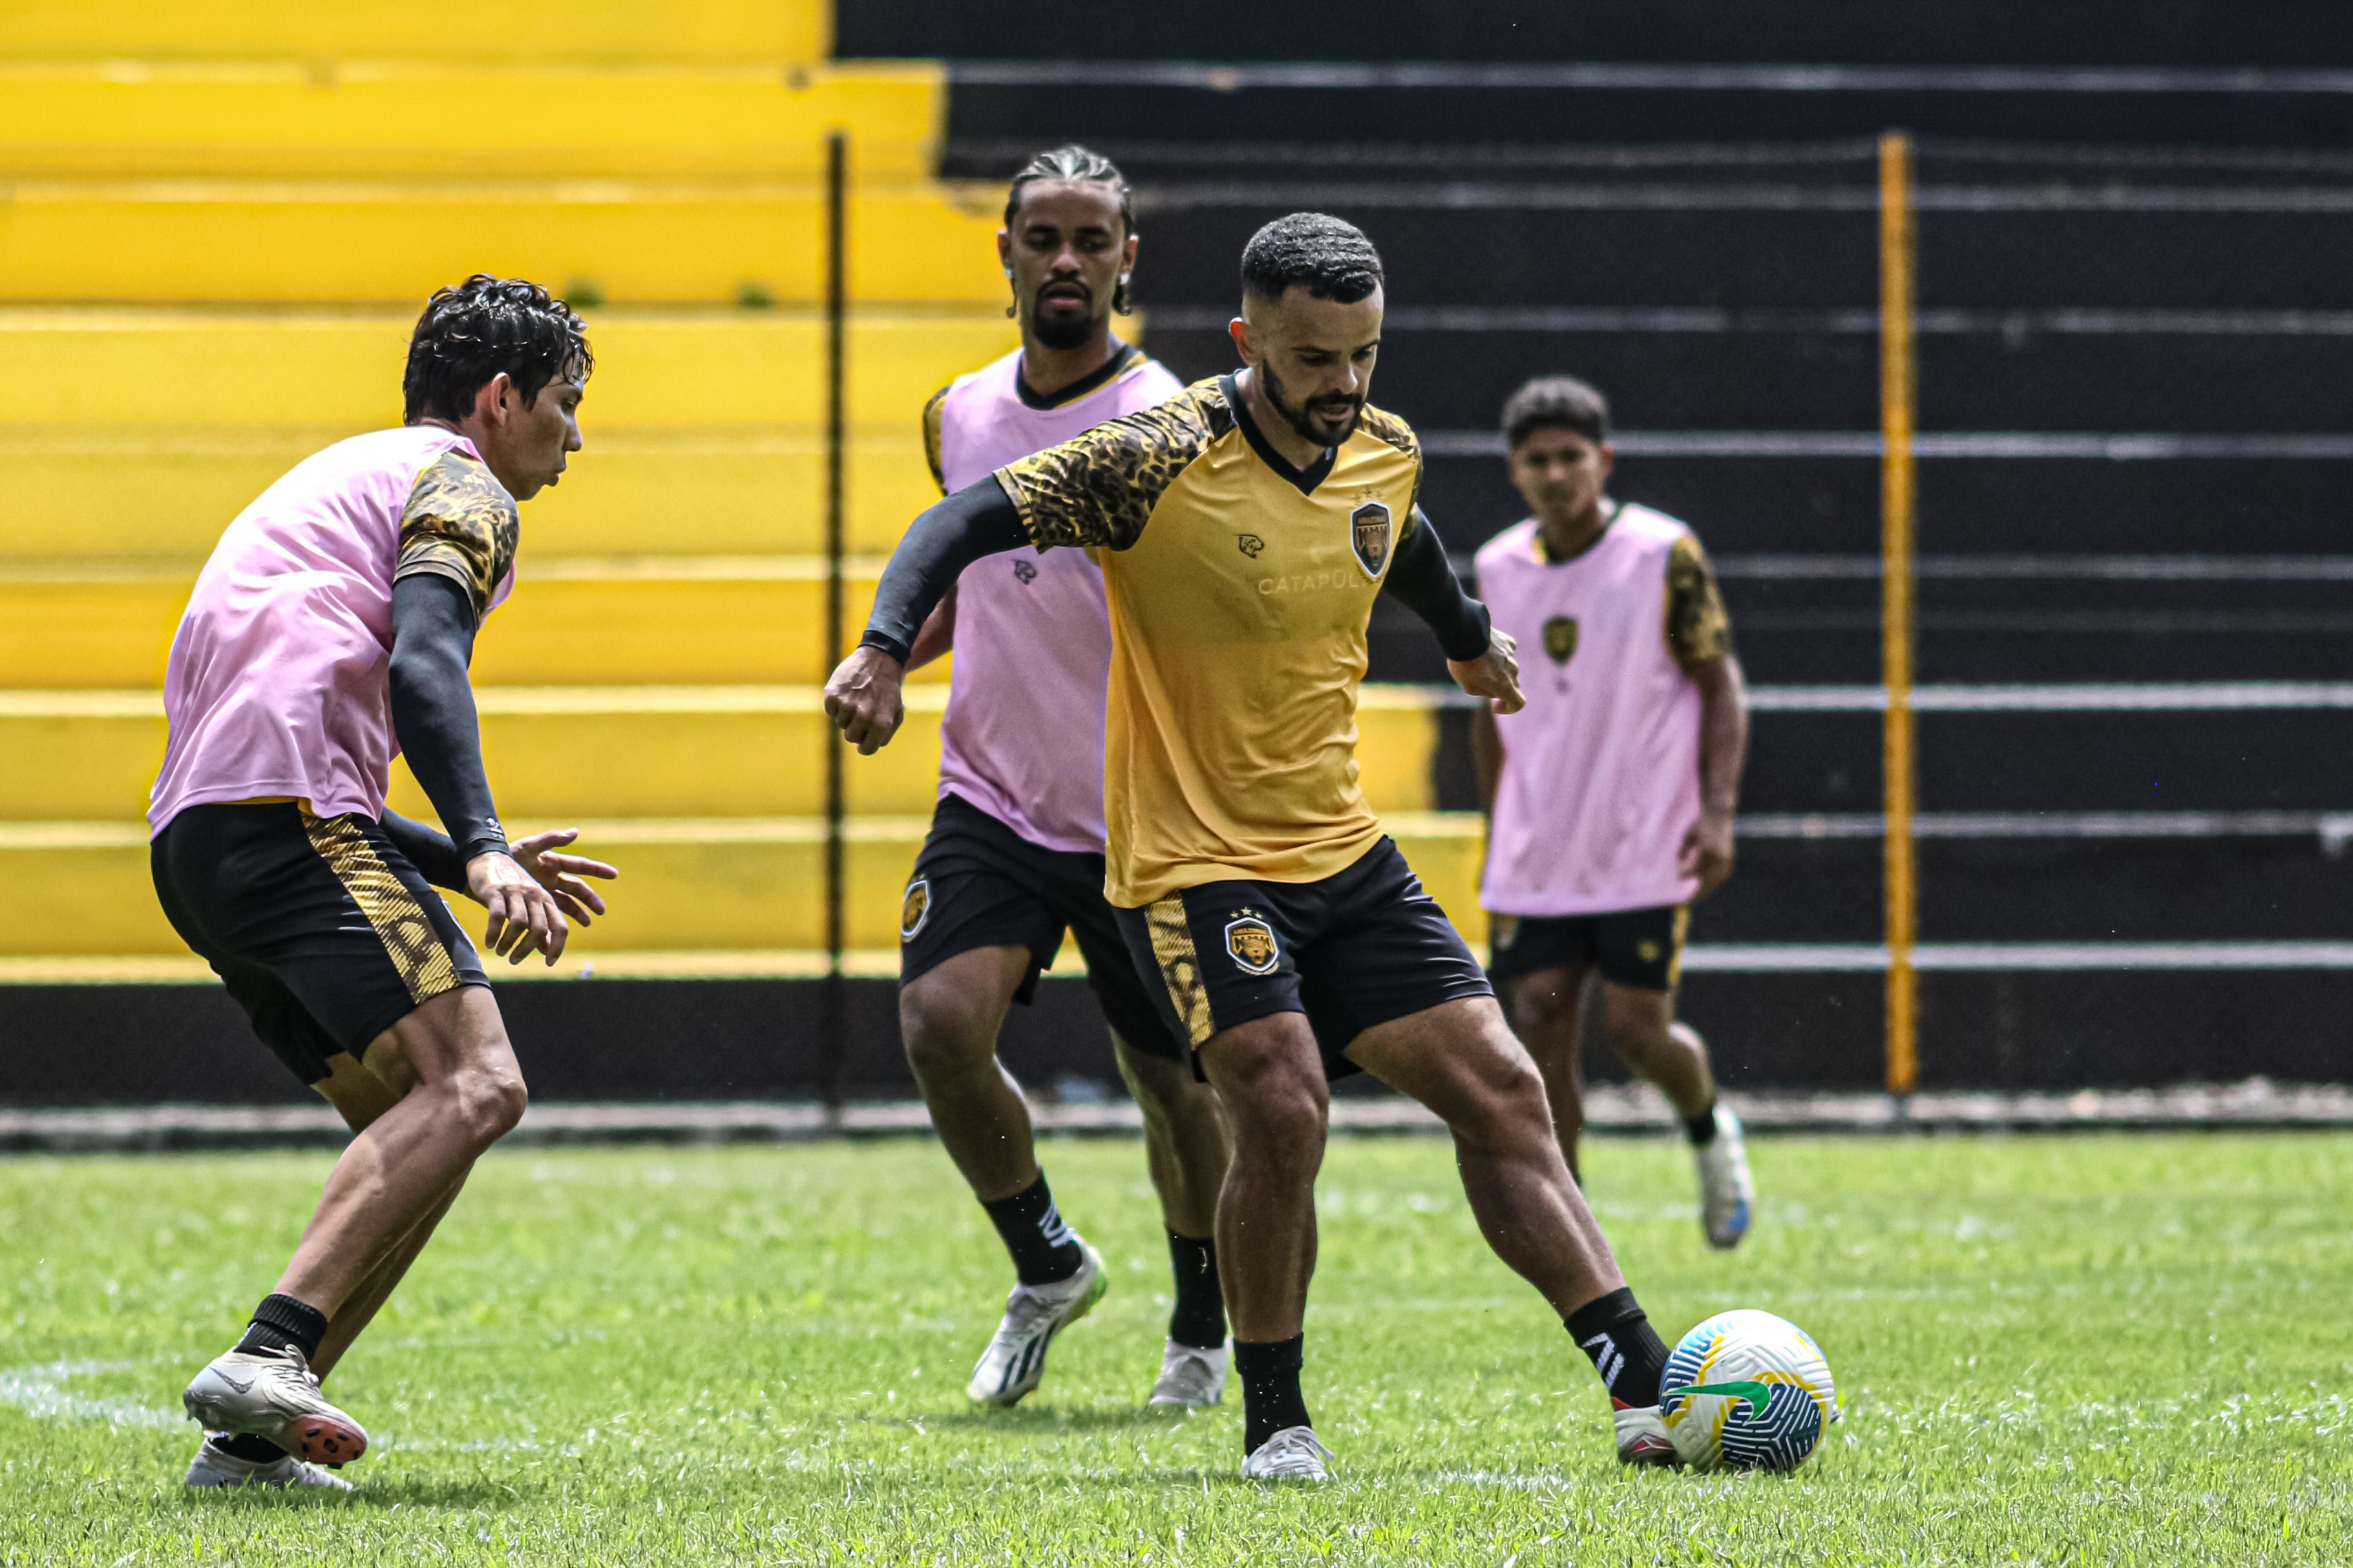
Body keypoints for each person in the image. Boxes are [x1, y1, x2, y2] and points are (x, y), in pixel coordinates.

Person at [826, 214, 1687, 1480]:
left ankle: (1644, 1384)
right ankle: (1275, 1417)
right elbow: (955, 524)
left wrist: (1464, 639)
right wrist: (885, 646)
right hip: (1190, 861)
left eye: (1363, 355)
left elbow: (1402, 537)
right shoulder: (1152, 455)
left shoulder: (1381, 446)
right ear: (1247, 341)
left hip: (1340, 847)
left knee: (1500, 1090)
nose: (1342, 385)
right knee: (1283, 1103)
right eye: (1314, 358)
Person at [154, 275, 617, 1489]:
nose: (578, 437)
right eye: (566, 404)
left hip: (203, 844)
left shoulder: (337, 478)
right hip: (287, 822)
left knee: (415, 1127)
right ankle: (270, 1354)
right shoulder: (457, 482)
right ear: (500, 396)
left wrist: (468, 864)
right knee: (480, 1082)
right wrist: (483, 838)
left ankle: (249, 1449)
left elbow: (306, 774)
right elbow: (424, 665)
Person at [896, 146, 1234, 1410]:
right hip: (992, 793)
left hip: (1140, 810)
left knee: (1171, 1083)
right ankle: (1046, 1261)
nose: (1068, 261)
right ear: (1006, 253)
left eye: (1093, 239)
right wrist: (885, 658)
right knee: (939, 1024)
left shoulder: (1173, 418)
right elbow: (973, 573)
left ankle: (1200, 1321)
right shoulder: (958, 412)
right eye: (1044, 237)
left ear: (1127, 259)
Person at [1470, 377, 1757, 1248]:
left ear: (1602, 461)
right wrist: (1500, 832)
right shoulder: (1493, 567)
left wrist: (1715, 813)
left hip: (1640, 842)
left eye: (1570, 457)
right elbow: (1486, 711)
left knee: (1637, 1032)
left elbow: (1720, 682)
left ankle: (1709, 1129)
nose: (1555, 474)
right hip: (1540, 854)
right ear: (1514, 470)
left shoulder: (1663, 552)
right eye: (1536, 460)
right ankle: (1574, 1225)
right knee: (1539, 1030)